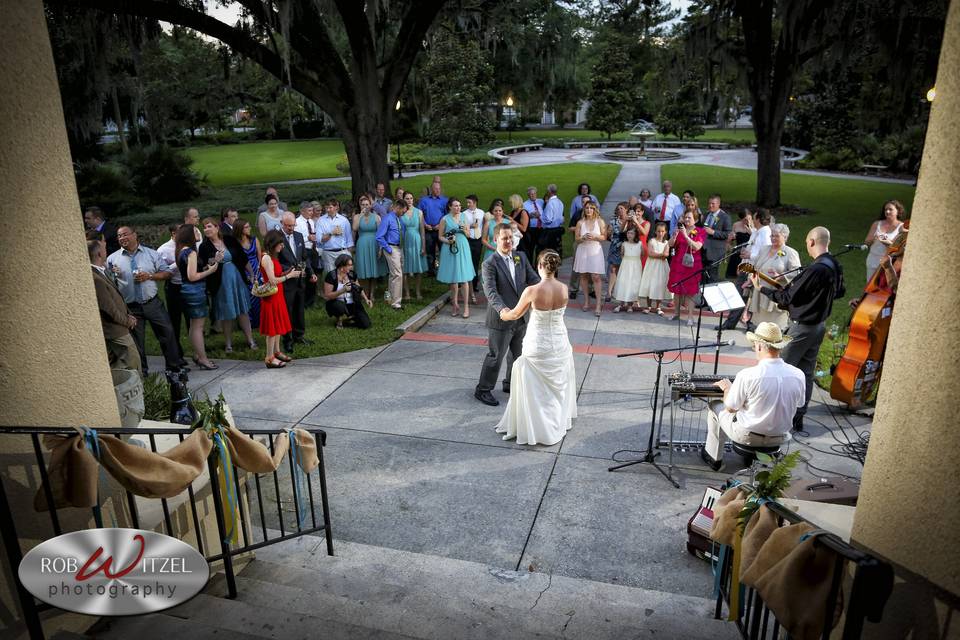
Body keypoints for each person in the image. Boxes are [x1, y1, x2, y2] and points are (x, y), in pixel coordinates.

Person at [759, 226, 845, 432]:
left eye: (807, 242)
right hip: (819, 326)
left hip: (803, 327)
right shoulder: (834, 264)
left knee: (778, 370)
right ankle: (798, 418)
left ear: (812, 242)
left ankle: (774, 420)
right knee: (805, 373)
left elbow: (787, 298)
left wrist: (761, 288)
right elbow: (840, 292)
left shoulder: (815, 269)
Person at [494, 250, 577, 445]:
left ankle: (536, 427)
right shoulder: (564, 289)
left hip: (538, 342)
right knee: (557, 384)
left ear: (540, 266)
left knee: (535, 386)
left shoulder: (532, 291)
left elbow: (514, 315)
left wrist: (502, 312)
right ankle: (555, 422)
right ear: (555, 268)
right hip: (559, 341)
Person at [700, 322, 805, 471]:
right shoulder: (798, 374)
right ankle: (751, 458)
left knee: (715, 406)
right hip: (780, 436)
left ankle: (714, 458)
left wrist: (727, 389)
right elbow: (799, 404)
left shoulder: (748, 375)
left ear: (760, 346)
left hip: (748, 436)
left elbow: (730, 408)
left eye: (754, 344)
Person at [475, 223, 540, 406]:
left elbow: (533, 279)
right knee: (496, 356)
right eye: (504, 238)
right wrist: (503, 310)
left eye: (510, 237)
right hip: (501, 318)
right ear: (496, 240)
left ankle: (511, 384)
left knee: (518, 355)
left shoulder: (521, 257)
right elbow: (491, 291)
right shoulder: (489, 264)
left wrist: (546, 286)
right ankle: (483, 389)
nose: (508, 241)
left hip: (522, 317)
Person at [106, 225, 181, 377]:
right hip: (131, 307)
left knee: (167, 334)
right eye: (119, 236)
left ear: (135, 235)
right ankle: (142, 373)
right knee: (137, 343)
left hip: (152, 303)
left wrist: (150, 276)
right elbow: (108, 283)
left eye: (125, 234)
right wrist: (113, 275)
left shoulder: (152, 254)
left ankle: (174, 369)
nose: (122, 238)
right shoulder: (112, 259)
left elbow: (167, 272)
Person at [198, 218, 255, 353]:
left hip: (236, 278)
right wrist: (214, 260)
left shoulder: (229, 240)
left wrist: (252, 274)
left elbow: (242, 258)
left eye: (209, 226)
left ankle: (250, 340)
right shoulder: (204, 247)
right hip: (220, 282)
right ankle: (228, 344)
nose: (206, 229)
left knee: (243, 311)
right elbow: (203, 267)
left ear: (217, 227)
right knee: (226, 312)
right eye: (204, 227)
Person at [88, 239, 141, 376]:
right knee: (131, 364)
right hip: (115, 331)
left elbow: (117, 297)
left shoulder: (101, 271)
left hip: (120, 325)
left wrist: (128, 314)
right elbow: (109, 309)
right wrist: (127, 321)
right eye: (104, 249)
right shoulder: (95, 278)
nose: (107, 251)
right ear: (99, 253)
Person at [741, 223, 801, 331]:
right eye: (772, 235)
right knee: (760, 328)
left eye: (776, 236)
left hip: (775, 296)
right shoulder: (764, 249)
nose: (773, 238)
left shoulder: (790, 253)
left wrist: (781, 276)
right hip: (759, 293)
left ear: (785, 237)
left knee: (773, 330)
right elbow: (756, 268)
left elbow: (797, 273)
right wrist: (750, 280)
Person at [175, 224, 219, 370]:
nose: (198, 232)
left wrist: (211, 263)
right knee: (198, 327)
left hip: (188, 290)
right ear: (189, 235)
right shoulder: (191, 252)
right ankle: (203, 358)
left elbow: (194, 270)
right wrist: (210, 271)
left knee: (194, 325)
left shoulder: (182, 250)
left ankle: (197, 354)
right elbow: (192, 276)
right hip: (195, 291)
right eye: (195, 231)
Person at [259, 230, 300, 368]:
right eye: (280, 243)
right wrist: (289, 276)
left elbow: (277, 274)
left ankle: (276, 352)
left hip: (278, 295)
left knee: (277, 326)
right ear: (273, 243)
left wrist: (286, 272)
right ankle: (269, 357)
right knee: (272, 329)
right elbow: (272, 280)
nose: (282, 246)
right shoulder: (266, 258)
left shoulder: (273, 257)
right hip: (271, 297)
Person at [279, 212, 316, 354]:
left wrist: (311, 273)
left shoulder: (299, 236)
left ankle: (299, 335)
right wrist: (288, 270)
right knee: (288, 311)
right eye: (288, 226)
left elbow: (305, 258)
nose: (291, 228)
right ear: (282, 223)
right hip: (287, 280)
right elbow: (274, 260)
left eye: (293, 225)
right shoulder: (277, 237)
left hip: (300, 280)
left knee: (299, 309)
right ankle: (287, 340)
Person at [437, 197, 476, 318]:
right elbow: (440, 236)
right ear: (450, 207)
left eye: (459, 205)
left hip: (463, 246)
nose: (458, 208)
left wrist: (465, 230)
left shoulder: (464, 217)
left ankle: (466, 307)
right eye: (455, 206)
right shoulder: (444, 219)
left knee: (464, 278)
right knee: (453, 280)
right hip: (450, 249)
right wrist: (448, 240)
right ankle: (454, 304)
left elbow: (469, 234)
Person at [667, 206, 706, 325]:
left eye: (689, 218)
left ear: (695, 219)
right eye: (685, 217)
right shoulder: (679, 230)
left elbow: (697, 246)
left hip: (692, 264)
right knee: (677, 289)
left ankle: (690, 316)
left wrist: (685, 235)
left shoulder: (700, 231)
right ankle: (676, 313)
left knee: (690, 291)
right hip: (678, 263)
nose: (687, 220)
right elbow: (670, 244)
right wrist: (673, 238)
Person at [156, 222, 187, 362]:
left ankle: (199, 352)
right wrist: (178, 262)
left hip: (189, 285)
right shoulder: (163, 250)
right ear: (174, 234)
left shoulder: (188, 245)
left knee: (192, 321)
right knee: (175, 322)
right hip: (174, 287)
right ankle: (177, 355)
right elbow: (161, 271)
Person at [323, 254, 373, 329]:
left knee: (366, 324)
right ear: (342, 266)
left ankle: (347, 320)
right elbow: (327, 295)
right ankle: (339, 319)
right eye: (349, 265)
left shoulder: (352, 274)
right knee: (340, 307)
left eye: (351, 265)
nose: (351, 267)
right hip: (336, 302)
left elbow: (358, 288)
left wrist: (366, 299)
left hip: (352, 303)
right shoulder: (331, 276)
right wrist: (343, 290)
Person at [574, 201, 606, 317]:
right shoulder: (580, 223)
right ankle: (587, 301)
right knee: (583, 275)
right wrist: (582, 237)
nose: (589, 210)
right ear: (584, 209)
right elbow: (576, 239)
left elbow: (604, 237)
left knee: (596, 276)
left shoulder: (600, 221)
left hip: (595, 250)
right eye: (587, 208)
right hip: (583, 250)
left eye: (591, 208)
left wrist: (596, 236)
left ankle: (598, 304)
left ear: (595, 209)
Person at [352, 194, 385, 302]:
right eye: (363, 205)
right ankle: (365, 293)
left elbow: (380, 234)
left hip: (374, 244)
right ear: (360, 206)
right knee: (363, 270)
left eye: (367, 204)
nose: (365, 207)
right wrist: (361, 215)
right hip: (362, 244)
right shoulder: (357, 217)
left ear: (371, 206)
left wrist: (380, 248)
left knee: (373, 269)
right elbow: (355, 228)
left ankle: (372, 294)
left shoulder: (376, 217)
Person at [864, 200, 905, 282]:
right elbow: (867, 242)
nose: (887, 211)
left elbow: (901, 249)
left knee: (886, 289)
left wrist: (888, 243)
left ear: (898, 211)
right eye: (886, 209)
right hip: (873, 260)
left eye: (890, 209)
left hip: (890, 263)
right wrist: (875, 238)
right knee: (870, 286)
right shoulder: (877, 224)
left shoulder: (902, 227)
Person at [638, 221, 672, 315]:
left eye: (662, 231)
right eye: (658, 231)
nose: (660, 233)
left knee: (660, 285)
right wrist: (661, 254)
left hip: (662, 266)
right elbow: (650, 253)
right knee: (650, 284)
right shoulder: (652, 241)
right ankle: (648, 306)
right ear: (655, 232)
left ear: (665, 232)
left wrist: (661, 255)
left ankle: (658, 306)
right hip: (652, 266)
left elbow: (666, 255)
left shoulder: (666, 243)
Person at [377, 200, 406, 310]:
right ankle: (396, 303)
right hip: (391, 247)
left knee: (394, 275)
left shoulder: (399, 219)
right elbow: (379, 236)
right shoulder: (388, 218)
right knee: (398, 274)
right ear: (398, 207)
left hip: (399, 247)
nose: (404, 212)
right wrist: (388, 249)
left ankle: (389, 298)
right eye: (403, 210)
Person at [234, 220, 261, 328]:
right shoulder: (235, 243)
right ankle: (248, 323)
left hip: (256, 270)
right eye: (246, 227)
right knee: (247, 297)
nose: (249, 228)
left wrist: (259, 272)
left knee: (258, 297)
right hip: (243, 272)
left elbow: (259, 257)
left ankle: (259, 321)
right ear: (240, 229)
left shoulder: (254, 240)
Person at [401, 191, 428, 300]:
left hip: (417, 241)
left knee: (418, 269)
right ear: (403, 200)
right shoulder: (401, 213)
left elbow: (422, 231)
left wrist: (423, 246)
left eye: (411, 198)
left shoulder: (419, 212)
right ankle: (407, 293)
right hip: (405, 242)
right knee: (405, 269)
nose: (409, 200)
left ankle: (417, 291)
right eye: (407, 198)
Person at [316, 198, 355, 274]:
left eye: (330, 207)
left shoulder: (344, 220)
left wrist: (349, 254)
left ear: (336, 207)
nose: (328, 210)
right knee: (331, 277)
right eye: (326, 208)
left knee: (344, 276)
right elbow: (319, 239)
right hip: (328, 253)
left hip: (342, 251)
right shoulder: (321, 220)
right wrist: (331, 233)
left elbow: (349, 239)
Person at [700, 194, 733, 283]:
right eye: (709, 203)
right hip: (703, 250)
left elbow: (727, 234)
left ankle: (711, 295)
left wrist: (713, 232)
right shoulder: (706, 215)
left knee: (712, 276)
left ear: (718, 204)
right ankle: (702, 296)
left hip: (715, 251)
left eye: (713, 204)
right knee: (702, 276)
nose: (710, 205)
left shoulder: (725, 217)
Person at [418, 182, 448, 275]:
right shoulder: (424, 200)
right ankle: (431, 271)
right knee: (430, 251)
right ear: (431, 190)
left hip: (441, 229)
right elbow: (419, 214)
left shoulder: (444, 200)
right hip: (429, 229)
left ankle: (444, 269)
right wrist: (425, 224)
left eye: (439, 188)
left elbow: (447, 215)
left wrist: (440, 225)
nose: (438, 190)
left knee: (443, 249)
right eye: (436, 189)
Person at [612, 226, 644, 312]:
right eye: (628, 233)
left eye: (632, 233)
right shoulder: (624, 244)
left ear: (636, 235)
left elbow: (642, 254)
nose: (630, 235)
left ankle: (630, 305)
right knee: (624, 283)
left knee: (633, 284)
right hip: (626, 265)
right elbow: (622, 254)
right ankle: (621, 304)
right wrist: (626, 261)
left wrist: (636, 262)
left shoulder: (640, 244)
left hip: (636, 266)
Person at [605, 203, 630, 303]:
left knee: (624, 270)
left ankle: (620, 291)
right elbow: (613, 232)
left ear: (627, 210)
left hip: (628, 248)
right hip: (615, 247)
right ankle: (609, 292)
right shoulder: (613, 220)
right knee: (613, 269)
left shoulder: (631, 221)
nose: (619, 210)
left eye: (622, 208)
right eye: (618, 208)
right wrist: (608, 232)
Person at [463, 194, 485, 303]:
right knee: (468, 262)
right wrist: (471, 226)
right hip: (468, 239)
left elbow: (483, 225)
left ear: (475, 202)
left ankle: (475, 284)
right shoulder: (464, 214)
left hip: (478, 239)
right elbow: (462, 226)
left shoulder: (481, 213)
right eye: (467, 202)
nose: (468, 204)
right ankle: (467, 282)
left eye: (469, 202)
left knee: (476, 262)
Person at [725, 210, 754, 279]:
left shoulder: (755, 226)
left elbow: (757, 240)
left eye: (750, 219)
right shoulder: (736, 225)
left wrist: (750, 231)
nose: (748, 221)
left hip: (749, 253)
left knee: (745, 276)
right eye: (745, 220)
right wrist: (730, 238)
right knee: (734, 277)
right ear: (741, 219)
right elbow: (729, 242)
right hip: (737, 252)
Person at [539, 183, 565, 258]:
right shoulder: (560, 202)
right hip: (558, 229)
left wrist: (539, 216)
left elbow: (548, 219)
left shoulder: (550, 203)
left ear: (549, 192)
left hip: (550, 231)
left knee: (549, 252)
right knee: (556, 250)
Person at [522, 186, 544, 264]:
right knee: (530, 248)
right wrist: (531, 215)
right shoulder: (525, 204)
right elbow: (523, 216)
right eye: (531, 194)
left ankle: (538, 265)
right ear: (528, 195)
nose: (533, 195)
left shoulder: (541, 201)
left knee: (540, 248)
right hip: (532, 229)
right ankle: (530, 266)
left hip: (541, 228)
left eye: (534, 194)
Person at [506, 194, 530, 259]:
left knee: (521, 257)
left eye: (511, 202)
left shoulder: (523, 212)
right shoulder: (513, 212)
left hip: (522, 240)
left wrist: (512, 220)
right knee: (515, 257)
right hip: (514, 239)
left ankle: (523, 268)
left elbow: (524, 229)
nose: (510, 204)